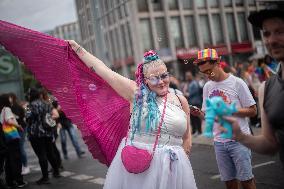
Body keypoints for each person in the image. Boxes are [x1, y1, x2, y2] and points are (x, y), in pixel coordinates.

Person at [68, 40, 197, 189]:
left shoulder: (180, 99)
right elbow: (102, 70)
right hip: (141, 168)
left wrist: (182, 160)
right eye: (154, 78)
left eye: (164, 75)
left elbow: (187, 136)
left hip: (175, 167)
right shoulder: (136, 94)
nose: (161, 82)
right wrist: (77, 48)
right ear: (145, 79)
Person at [226, 1, 284, 169]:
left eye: (280, 31)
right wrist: (240, 136)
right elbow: (270, 144)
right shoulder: (266, 88)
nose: (271, 40)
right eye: (266, 34)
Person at [190, 48, 257, 189]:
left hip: (239, 140)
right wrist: (199, 114)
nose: (208, 75)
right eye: (204, 73)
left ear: (218, 62)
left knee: (247, 181)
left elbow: (253, 111)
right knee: (229, 183)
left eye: (209, 70)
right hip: (219, 143)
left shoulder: (237, 83)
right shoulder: (208, 87)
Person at [26, 88, 61, 185]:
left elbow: (27, 118)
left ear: (31, 95)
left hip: (36, 133)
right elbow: (51, 115)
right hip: (48, 131)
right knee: (50, 152)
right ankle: (56, 171)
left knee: (41, 155)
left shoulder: (30, 106)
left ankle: (45, 177)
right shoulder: (46, 104)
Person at [0, 94, 28, 188]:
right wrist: (18, 126)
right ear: (6, 100)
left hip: (5, 137)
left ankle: (10, 181)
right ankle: (19, 181)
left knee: (9, 160)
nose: (10, 99)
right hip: (12, 136)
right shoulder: (7, 109)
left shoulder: (1, 110)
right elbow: (9, 121)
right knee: (16, 159)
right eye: (9, 97)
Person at [8, 93, 30, 175]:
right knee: (17, 148)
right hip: (16, 129)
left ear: (13, 98)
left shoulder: (16, 106)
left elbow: (17, 117)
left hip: (21, 128)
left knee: (20, 147)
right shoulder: (10, 107)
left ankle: (26, 166)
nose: (8, 99)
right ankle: (22, 166)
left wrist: (8, 115)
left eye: (9, 97)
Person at [183, 71, 203, 136]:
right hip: (192, 102)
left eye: (188, 76)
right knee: (192, 118)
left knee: (196, 117)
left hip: (195, 102)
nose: (187, 77)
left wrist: (186, 93)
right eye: (186, 76)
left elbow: (191, 93)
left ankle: (199, 131)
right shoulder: (189, 83)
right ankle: (195, 131)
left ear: (191, 76)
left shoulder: (194, 83)